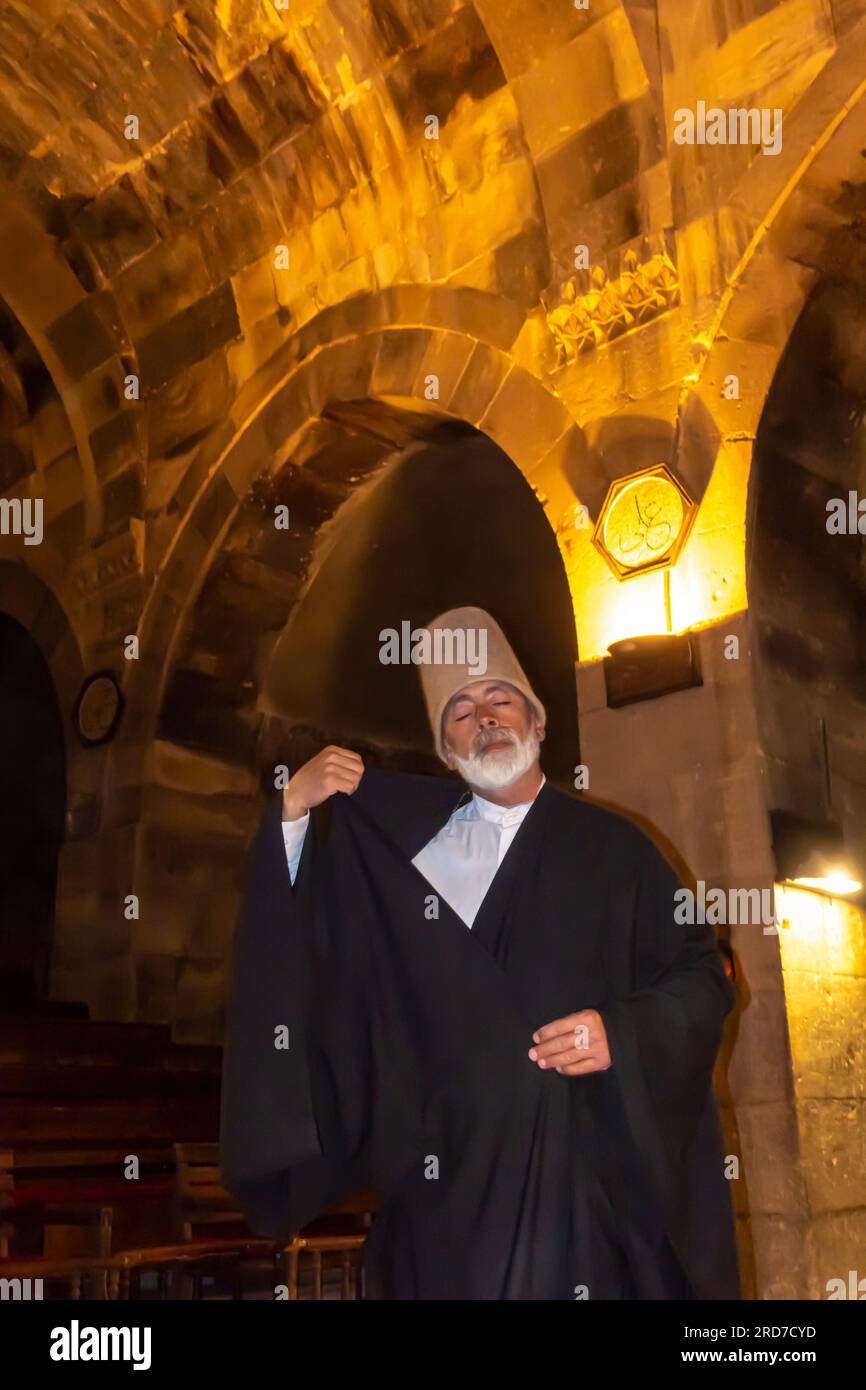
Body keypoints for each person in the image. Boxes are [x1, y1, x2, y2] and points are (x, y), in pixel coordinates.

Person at [220, 606, 740, 1299]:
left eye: (500, 699)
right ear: (444, 750)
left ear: (538, 721)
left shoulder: (617, 852)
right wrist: (290, 813)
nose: (484, 717)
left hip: (573, 1197)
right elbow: (311, 956)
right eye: (460, 711)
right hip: (435, 1202)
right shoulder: (403, 856)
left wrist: (622, 1031)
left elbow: (703, 977)